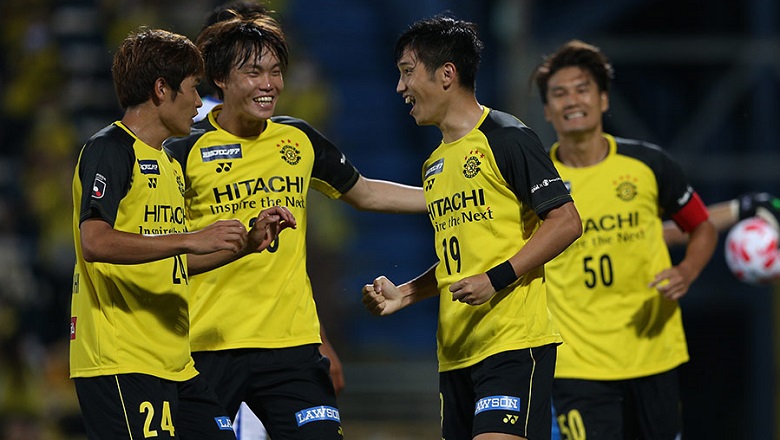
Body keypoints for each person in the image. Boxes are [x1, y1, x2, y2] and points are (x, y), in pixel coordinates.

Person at [164, 13, 427, 440]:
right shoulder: (183, 150)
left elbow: (365, 192)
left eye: (275, 71)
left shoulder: (298, 139)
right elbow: (163, 250)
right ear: (220, 79)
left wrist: (444, 198)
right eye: (253, 72)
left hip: (292, 348)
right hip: (206, 346)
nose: (269, 84)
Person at [361, 16, 582, 440]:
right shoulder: (434, 165)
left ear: (447, 74)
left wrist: (495, 280)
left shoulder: (507, 137)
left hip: (512, 345)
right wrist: (405, 294)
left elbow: (567, 221)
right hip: (456, 355)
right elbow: (457, 257)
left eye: (407, 72)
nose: (400, 88)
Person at [70, 27, 296, 439]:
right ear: (161, 89)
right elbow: (94, 241)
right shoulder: (110, 148)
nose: (198, 102)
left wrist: (245, 243)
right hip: (123, 360)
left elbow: (172, 261)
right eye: (193, 88)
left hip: (175, 362)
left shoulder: (171, 166)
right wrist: (191, 237)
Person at [530, 39, 718, 439]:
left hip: (653, 354)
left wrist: (687, 269)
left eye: (582, 89)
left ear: (602, 99)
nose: (571, 101)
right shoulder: (533, 180)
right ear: (547, 110)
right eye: (559, 94)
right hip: (575, 364)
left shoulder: (649, 164)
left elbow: (701, 226)